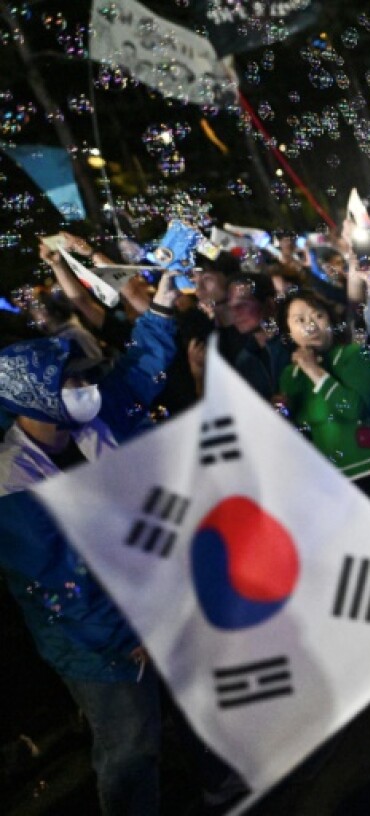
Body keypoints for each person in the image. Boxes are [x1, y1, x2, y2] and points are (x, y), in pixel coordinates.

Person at [0, 274, 178, 815]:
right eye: (70, 381)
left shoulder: (91, 423)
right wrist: (127, 635)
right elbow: (61, 585)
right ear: (33, 397)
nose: (85, 386)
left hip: (148, 603)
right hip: (97, 643)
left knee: (157, 726)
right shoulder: (11, 485)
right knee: (128, 744)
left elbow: (138, 375)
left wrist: (161, 311)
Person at [277, 289, 370, 482]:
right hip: (338, 482)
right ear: (288, 331)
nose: (311, 326)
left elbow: (354, 409)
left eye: (318, 316)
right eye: (300, 320)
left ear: (330, 320)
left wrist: (313, 370)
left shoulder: (355, 355)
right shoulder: (290, 375)